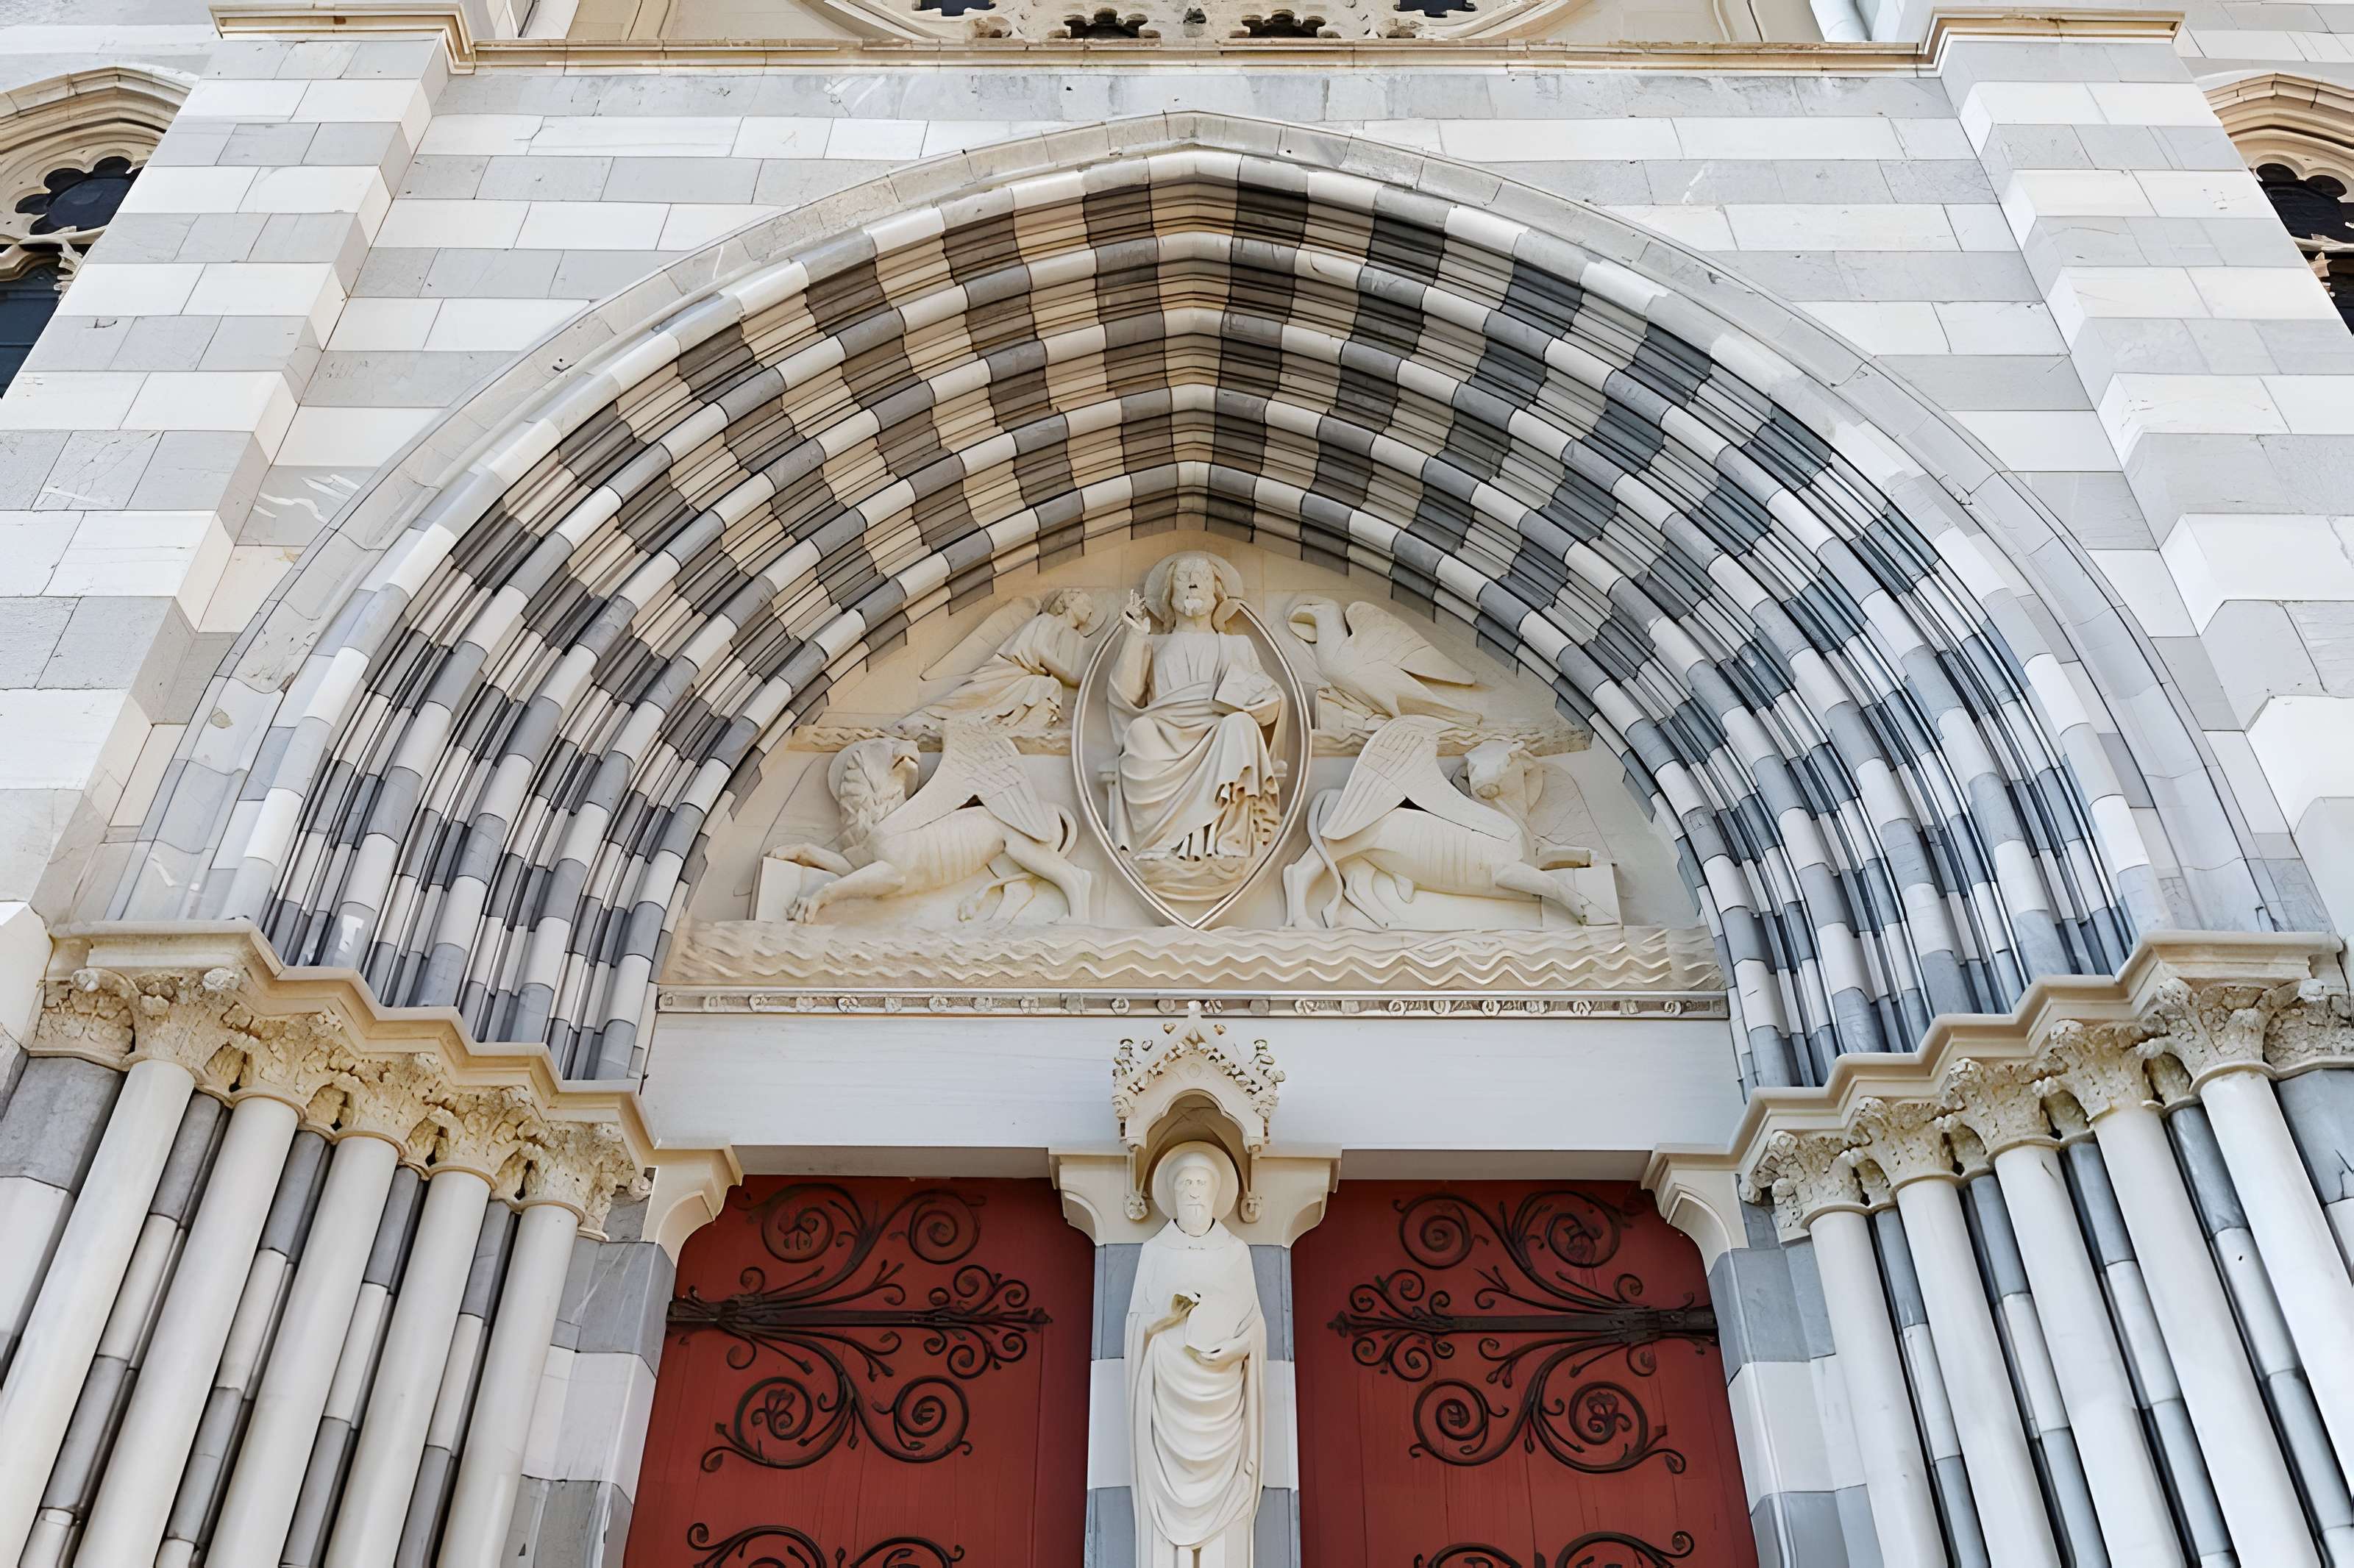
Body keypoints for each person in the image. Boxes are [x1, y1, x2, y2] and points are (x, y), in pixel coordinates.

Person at [1108, 552, 1284, 899]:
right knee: (1139, 732)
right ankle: (1158, 841)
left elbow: (1264, 693)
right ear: (1168, 595)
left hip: (1220, 729)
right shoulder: (1154, 642)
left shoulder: (1236, 644)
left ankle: (1228, 840)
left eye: (1201, 577)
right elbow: (1125, 694)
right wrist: (1135, 637)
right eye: (1182, 577)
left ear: (1217, 594)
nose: (1192, 582)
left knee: (1240, 726)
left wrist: (1265, 702)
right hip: (1163, 730)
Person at [1125, 1144, 1265, 1567]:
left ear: (1215, 1192)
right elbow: (1136, 1323)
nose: (1192, 1191)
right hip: (1168, 1392)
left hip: (1222, 1393)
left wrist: (1236, 1349)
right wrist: (1165, 1317)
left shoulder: (1236, 1252)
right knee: (1164, 1484)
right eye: (1184, 1183)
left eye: (1201, 1182)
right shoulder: (1155, 1252)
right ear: (1172, 1192)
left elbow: (1255, 1325)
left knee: (1227, 1505)